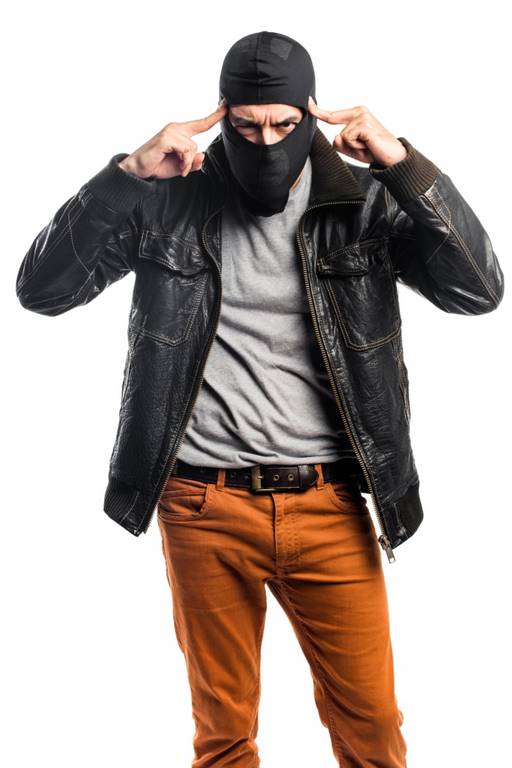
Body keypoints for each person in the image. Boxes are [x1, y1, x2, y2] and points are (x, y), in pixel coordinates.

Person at [16, 30, 504, 768]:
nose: (266, 142)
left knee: (372, 729)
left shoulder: (365, 202)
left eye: (283, 124)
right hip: (201, 505)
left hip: (331, 503)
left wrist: (403, 166)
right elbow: (42, 291)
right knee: (223, 737)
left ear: (310, 113)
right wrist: (127, 176)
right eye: (246, 127)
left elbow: (478, 291)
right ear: (222, 115)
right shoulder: (168, 201)